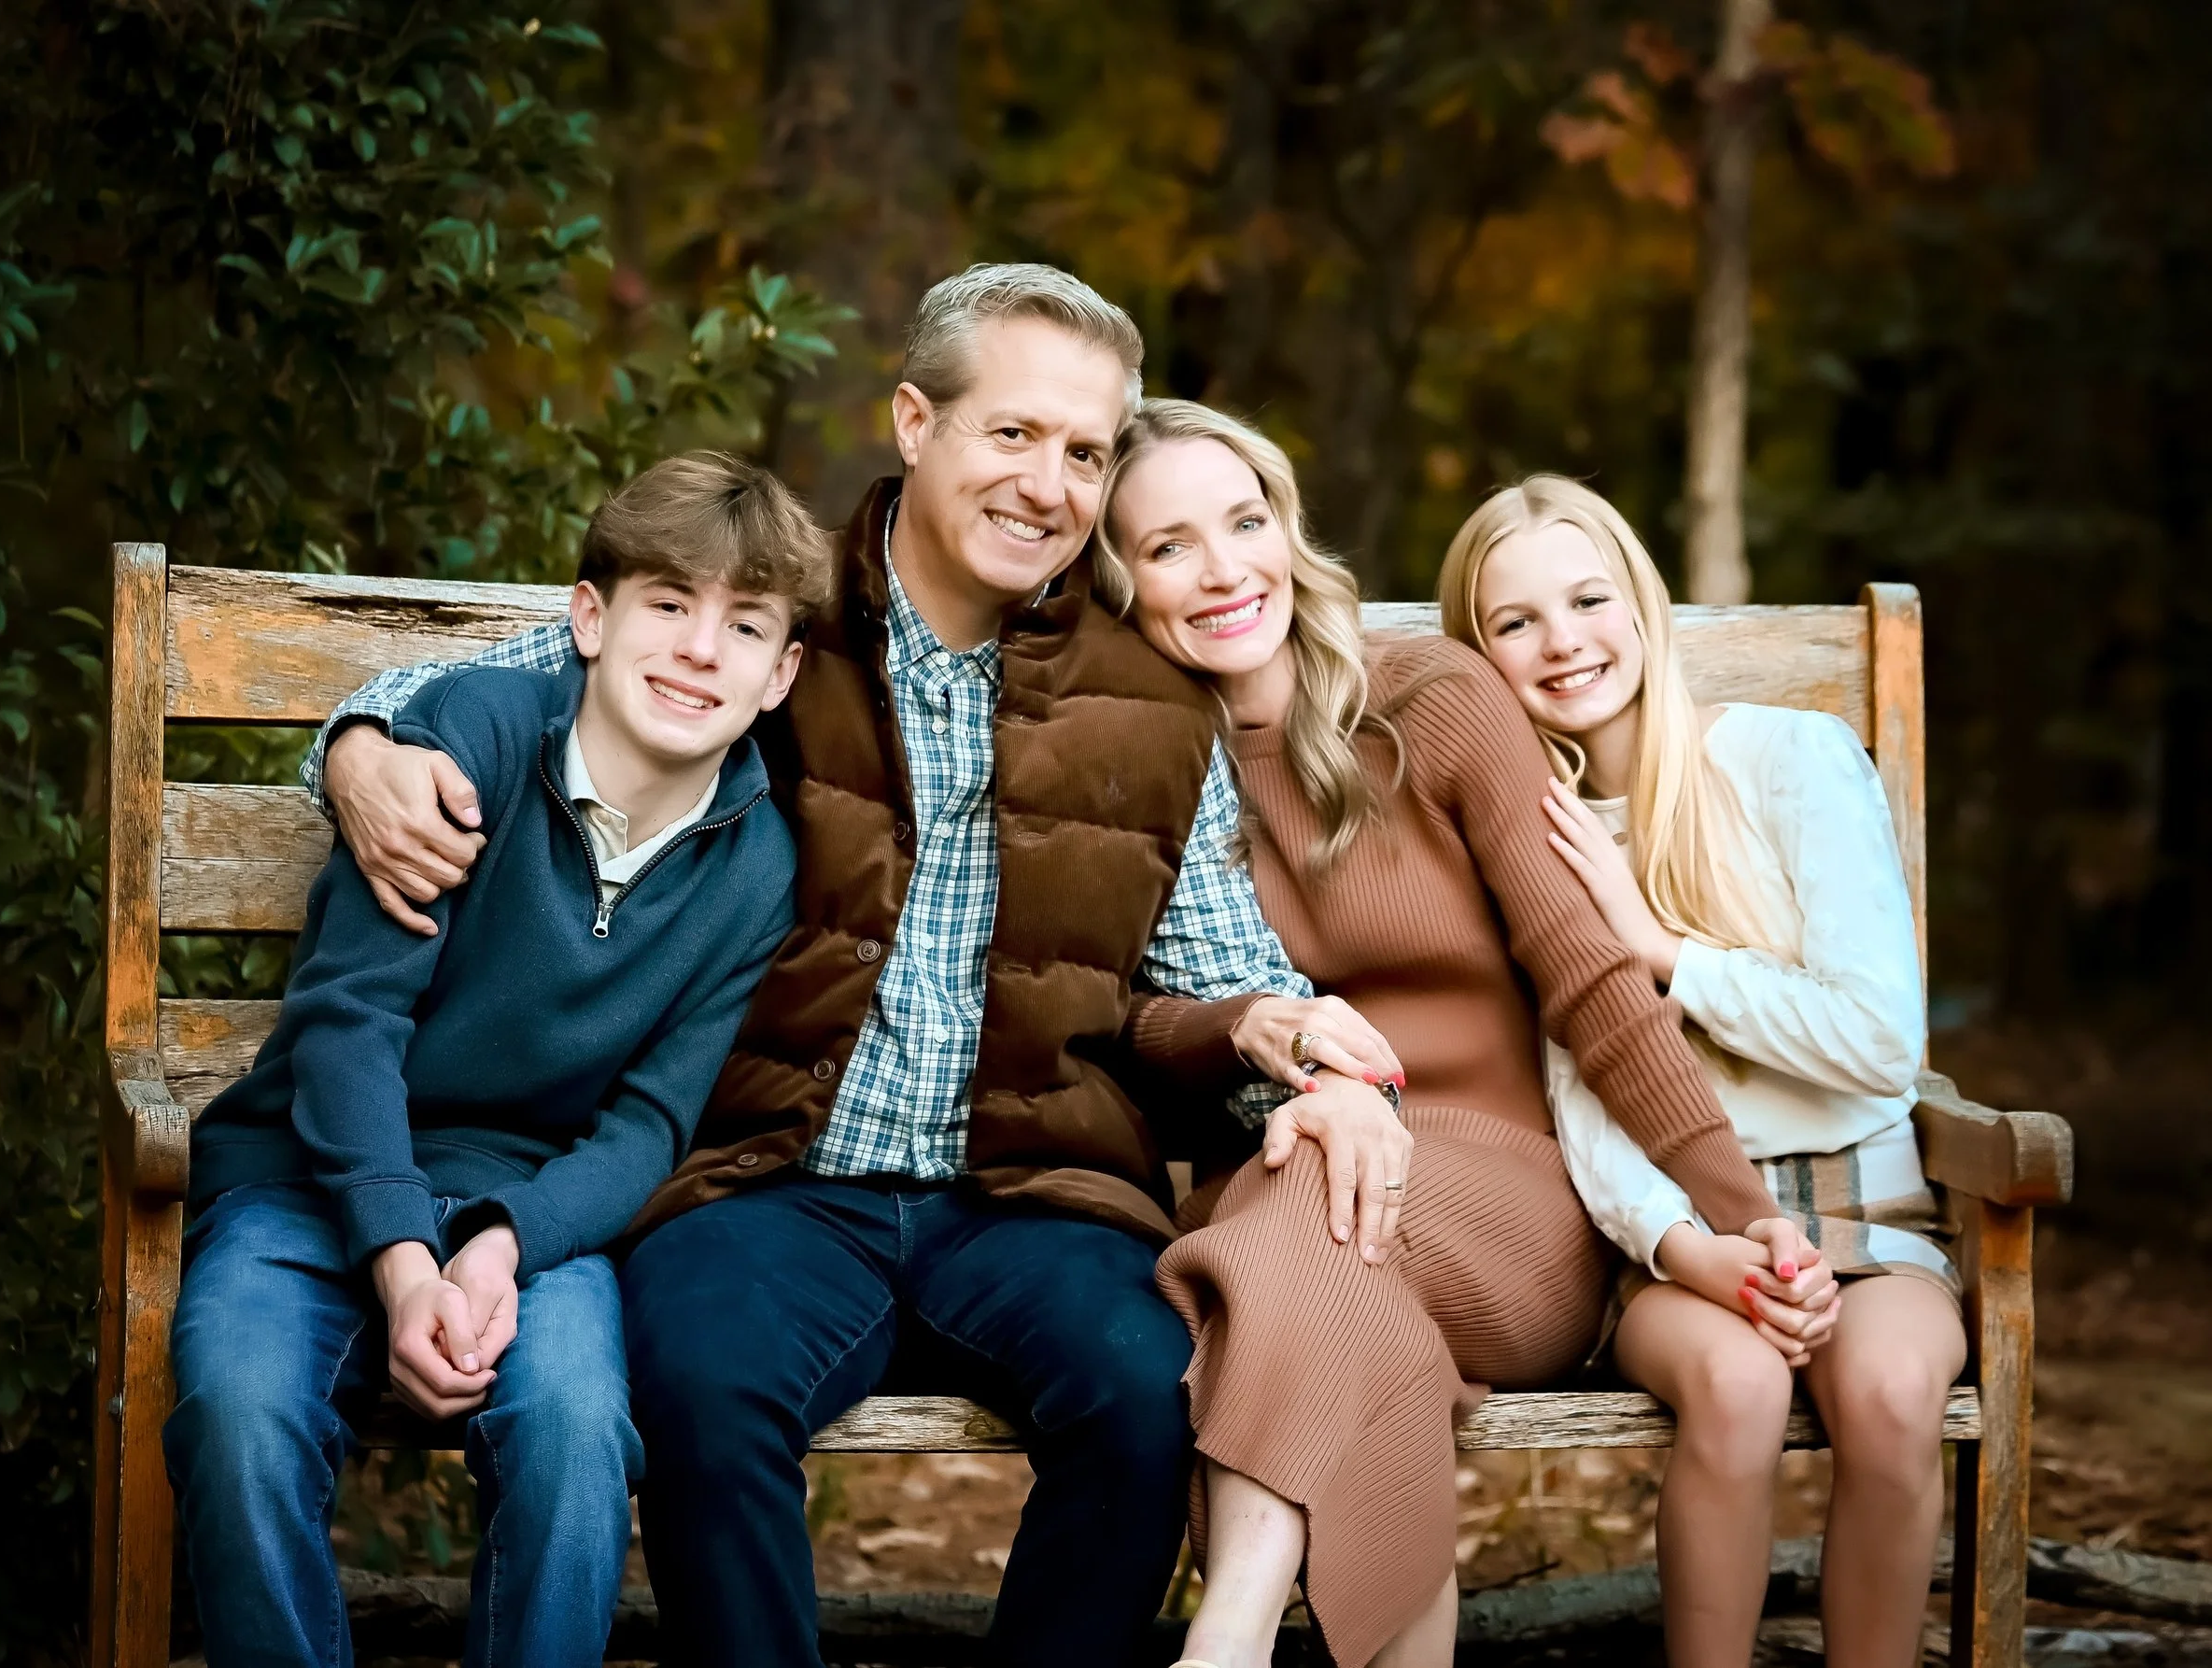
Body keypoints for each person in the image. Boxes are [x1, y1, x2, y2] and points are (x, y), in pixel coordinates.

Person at [297, 264, 1394, 1668]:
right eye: (1012, 433)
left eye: (1083, 452)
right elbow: (477, 685)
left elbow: (1217, 976)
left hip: (1033, 1191)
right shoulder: (766, 613)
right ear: (916, 421)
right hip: (770, 1176)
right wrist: (361, 752)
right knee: (701, 1384)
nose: (1049, 484)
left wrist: (1300, 1058)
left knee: (1141, 1391)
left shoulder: (1147, 701)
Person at [1092, 401, 1834, 1668]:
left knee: (1296, 1236)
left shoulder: (1432, 701)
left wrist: (1733, 1205)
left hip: (1501, 1198)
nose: (1222, 569)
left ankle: (1227, 1639)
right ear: (1118, 582)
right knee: (1324, 1259)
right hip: (1278, 1178)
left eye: (1243, 520)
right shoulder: (1131, 760)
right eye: (1166, 546)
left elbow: (1590, 977)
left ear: (1289, 529)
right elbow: (1121, 1023)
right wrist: (1245, 1024)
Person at [163, 453, 828, 1668]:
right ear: (589, 616)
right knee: (238, 1405)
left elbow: (647, 1124)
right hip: (307, 1173)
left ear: (782, 673)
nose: (698, 649)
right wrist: (407, 1263)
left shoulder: (757, 864)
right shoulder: (469, 739)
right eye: (668, 605)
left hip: (525, 1206)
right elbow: (350, 1021)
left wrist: (503, 1242)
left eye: (743, 626)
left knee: (579, 1430)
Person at [1441, 474, 1962, 1668]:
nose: (1562, 641)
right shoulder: (1527, 834)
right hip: (1671, 1242)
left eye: (1586, 597)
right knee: (1732, 1387)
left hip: (1866, 1212)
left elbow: (1881, 1040)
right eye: (1513, 622)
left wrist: (1663, 952)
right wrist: (1696, 1251)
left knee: (1887, 1399)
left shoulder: (1792, 759)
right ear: (1480, 658)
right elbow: (1582, 1100)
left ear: (1643, 599)